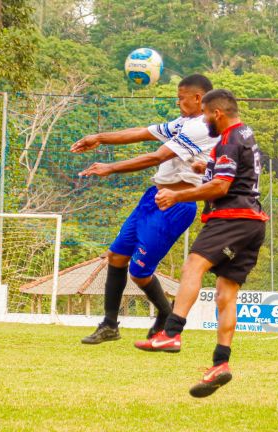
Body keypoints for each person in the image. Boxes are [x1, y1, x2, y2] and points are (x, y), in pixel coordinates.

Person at [134, 89, 268, 398]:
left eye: (205, 114)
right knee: (226, 294)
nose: (203, 120)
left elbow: (221, 186)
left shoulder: (228, 139)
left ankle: (171, 332)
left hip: (231, 218)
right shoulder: (245, 134)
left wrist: (177, 194)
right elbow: (232, 174)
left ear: (216, 113)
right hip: (253, 222)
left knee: (193, 264)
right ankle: (221, 363)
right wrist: (203, 168)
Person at [70, 74, 218, 345]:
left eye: (181, 96)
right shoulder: (182, 122)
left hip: (177, 202)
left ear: (198, 98)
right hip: (153, 197)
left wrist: (111, 168)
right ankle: (110, 325)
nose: (178, 100)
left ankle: (166, 314)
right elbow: (143, 132)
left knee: (139, 272)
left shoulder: (202, 127)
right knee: (115, 256)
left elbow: (157, 156)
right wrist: (99, 138)